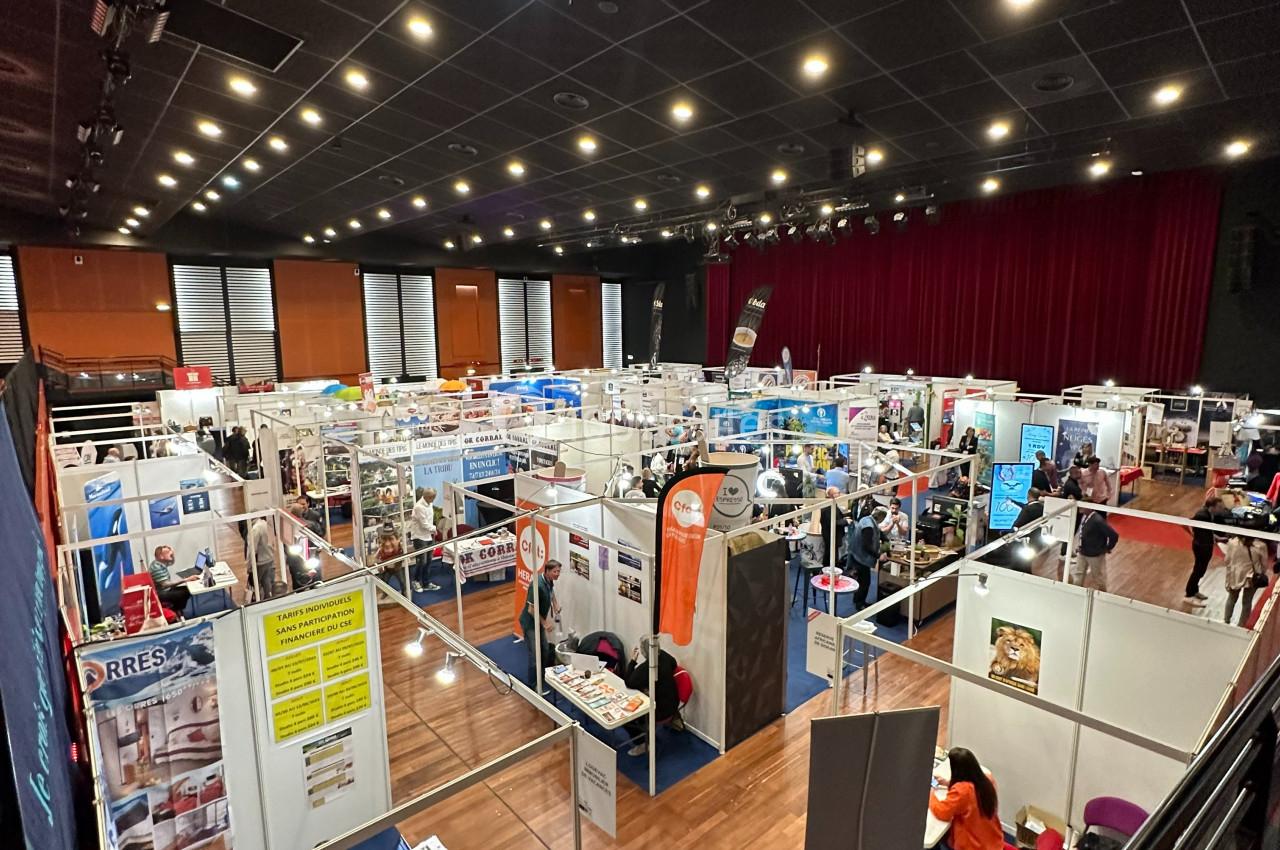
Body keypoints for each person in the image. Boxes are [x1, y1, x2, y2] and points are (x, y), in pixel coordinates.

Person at [929, 747, 1003, 850]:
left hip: (974, 846)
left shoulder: (962, 791)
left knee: (935, 842)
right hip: (994, 842)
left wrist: (931, 794)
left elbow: (942, 812)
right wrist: (948, 783)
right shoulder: (987, 779)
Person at [622, 644, 680, 756]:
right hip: (673, 703)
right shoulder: (664, 655)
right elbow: (674, 664)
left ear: (644, 652)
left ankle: (642, 744)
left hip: (660, 712)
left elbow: (629, 682)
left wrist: (633, 661)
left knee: (626, 717)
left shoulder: (647, 668)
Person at [519, 559, 561, 685]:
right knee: (535, 655)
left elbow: (551, 592)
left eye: (559, 571)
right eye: (555, 572)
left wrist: (555, 604)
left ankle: (542, 678)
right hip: (530, 623)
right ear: (547, 571)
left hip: (538, 622)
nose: (557, 574)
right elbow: (531, 609)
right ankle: (533, 685)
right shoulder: (537, 586)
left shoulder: (549, 580)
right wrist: (545, 623)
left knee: (545, 650)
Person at [1186, 496, 1228, 605]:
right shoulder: (1202, 516)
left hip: (1206, 545)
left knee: (1201, 570)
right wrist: (1202, 539)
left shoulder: (1209, 514)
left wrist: (1217, 538)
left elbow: (1208, 531)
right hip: (1201, 547)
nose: (1221, 509)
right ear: (1212, 507)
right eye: (1219, 507)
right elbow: (1193, 527)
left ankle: (1194, 590)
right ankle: (1189, 595)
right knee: (1198, 570)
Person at [1223, 535, 1268, 626]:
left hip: (1236, 575)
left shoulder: (1232, 543)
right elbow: (1264, 565)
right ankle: (1241, 625)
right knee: (1247, 601)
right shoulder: (1261, 546)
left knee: (1232, 598)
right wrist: (1260, 573)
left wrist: (1228, 578)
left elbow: (1227, 561)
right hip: (1253, 577)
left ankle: (1226, 621)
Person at [849, 506, 887, 609]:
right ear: (881, 517)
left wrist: (885, 539)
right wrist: (879, 556)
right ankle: (860, 604)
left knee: (860, 581)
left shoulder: (867, 519)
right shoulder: (869, 527)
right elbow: (867, 546)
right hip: (861, 557)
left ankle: (856, 599)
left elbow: (879, 532)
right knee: (865, 582)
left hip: (856, 554)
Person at [1074, 509, 1118, 591]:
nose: (1080, 507)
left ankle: (1102, 593)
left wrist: (1108, 548)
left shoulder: (1098, 520)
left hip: (1094, 555)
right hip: (1082, 552)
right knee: (1078, 574)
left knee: (1097, 577)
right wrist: (1080, 546)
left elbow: (1113, 535)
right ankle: (1076, 592)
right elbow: (1083, 534)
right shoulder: (1085, 517)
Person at [408, 487, 440, 593]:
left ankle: (426, 583)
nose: (434, 499)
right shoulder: (419, 507)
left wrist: (432, 531)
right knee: (422, 561)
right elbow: (424, 524)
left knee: (429, 561)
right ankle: (416, 581)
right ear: (428, 497)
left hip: (429, 536)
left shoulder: (429, 504)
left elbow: (429, 521)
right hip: (419, 537)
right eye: (433, 497)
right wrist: (434, 529)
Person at [148, 545, 191, 613]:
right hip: (161, 593)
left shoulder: (159, 563)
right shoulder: (156, 567)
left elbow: (171, 562)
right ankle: (175, 611)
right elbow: (165, 584)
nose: (171, 553)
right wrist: (186, 580)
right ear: (161, 556)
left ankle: (177, 610)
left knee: (187, 589)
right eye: (168, 552)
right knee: (185, 593)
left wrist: (172, 554)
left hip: (165, 590)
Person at [248, 516, 276, 601]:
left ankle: (258, 601)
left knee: (255, 583)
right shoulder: (267, 524)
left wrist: (249, 565)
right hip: (269, 558)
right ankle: (269, 599)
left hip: (260, 561)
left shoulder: (256, 529)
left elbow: (252, 549)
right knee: (266, 580)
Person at [820, 487, 848, 566]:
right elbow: (832, 522)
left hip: (831, 535)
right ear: (832, 495)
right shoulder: (828, 507)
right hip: (830, 536)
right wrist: (845, 521)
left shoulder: (832, 504)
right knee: (830, 556)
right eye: (837, 493)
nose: (839, 495)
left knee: (831, 555)